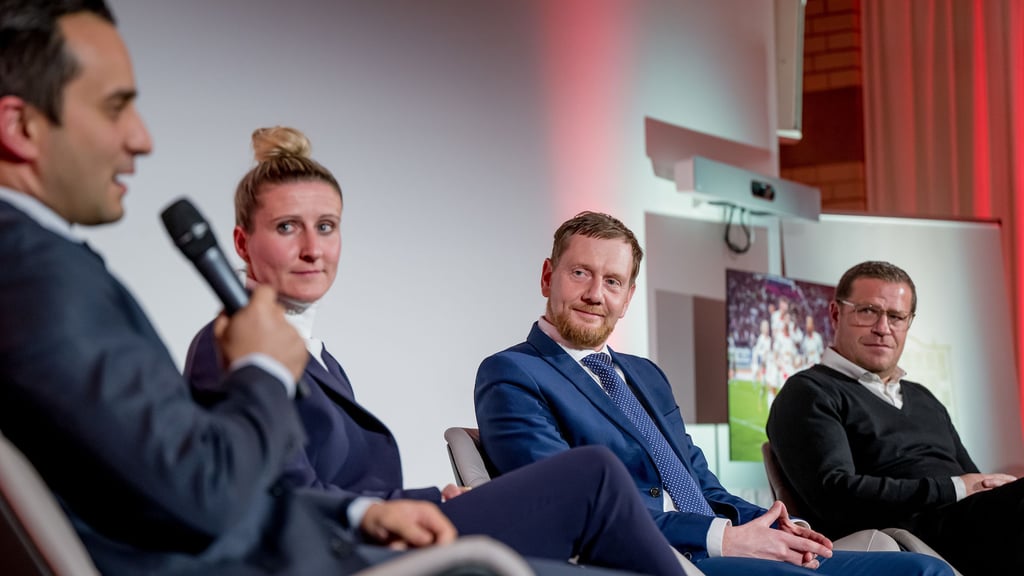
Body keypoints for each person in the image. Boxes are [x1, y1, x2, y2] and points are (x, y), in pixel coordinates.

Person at [0, 3, 682, 574]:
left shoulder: (56, 272)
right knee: (590, 480)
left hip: (336, 534)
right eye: (116, 106)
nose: (141, 140)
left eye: (326, 226)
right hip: (309, 558)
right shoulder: (44, 279)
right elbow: (213, 491)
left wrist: (379, 504)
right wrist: (265, 367)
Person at [183, 126, 689, 575]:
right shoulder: (227, 347)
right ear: (243, 243)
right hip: (342, 553)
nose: (313, 249)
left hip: (381, 532)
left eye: (327, 226)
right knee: (593, 474)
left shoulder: (321, 360)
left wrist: (426, 498)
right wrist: (386, 511)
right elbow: (274, 497)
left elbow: (348, 486)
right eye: (287, 227)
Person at [474, 212, 953, 576]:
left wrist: (771, 524)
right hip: (651, 560)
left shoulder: (644, 375)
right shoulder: (514, 374)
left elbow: (699, 483)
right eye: (580, 273)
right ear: (546, 277)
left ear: (627, 297)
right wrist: (727, 539)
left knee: (924, 570)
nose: (595, 294)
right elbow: (571, 506)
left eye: (613, 281)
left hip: (717, 547)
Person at [767, 260, 1024, 575]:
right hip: (911, 537)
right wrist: (954, 488)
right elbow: (835, 494)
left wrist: (992, 487)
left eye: (896, 316)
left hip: (973, 523)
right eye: (868, 311)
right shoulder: (809, 392)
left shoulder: (923, 397)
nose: (882, 328)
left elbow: (974, 480)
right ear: (836, 313)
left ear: (908, 322)